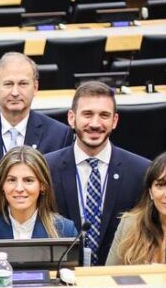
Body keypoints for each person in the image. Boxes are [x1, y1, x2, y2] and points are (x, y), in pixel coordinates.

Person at [46, 81, 151, 265]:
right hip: (61, 274)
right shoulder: (46, 168)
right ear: (71, 118)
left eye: (104, 115)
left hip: (118, 277)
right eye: (87, 114)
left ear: (115, 121)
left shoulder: (140, 171)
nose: (95, 124)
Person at [0, 52, 73, 169]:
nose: (15, 93)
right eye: (8, 84)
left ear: (35, 87)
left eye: (23, 84)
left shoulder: (59, 135)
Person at [0, 146, 78, 240]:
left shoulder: (65, 230)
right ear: (2, 185)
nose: (19, 188)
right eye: (11, 180)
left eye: (28, 180)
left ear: (42, 185)